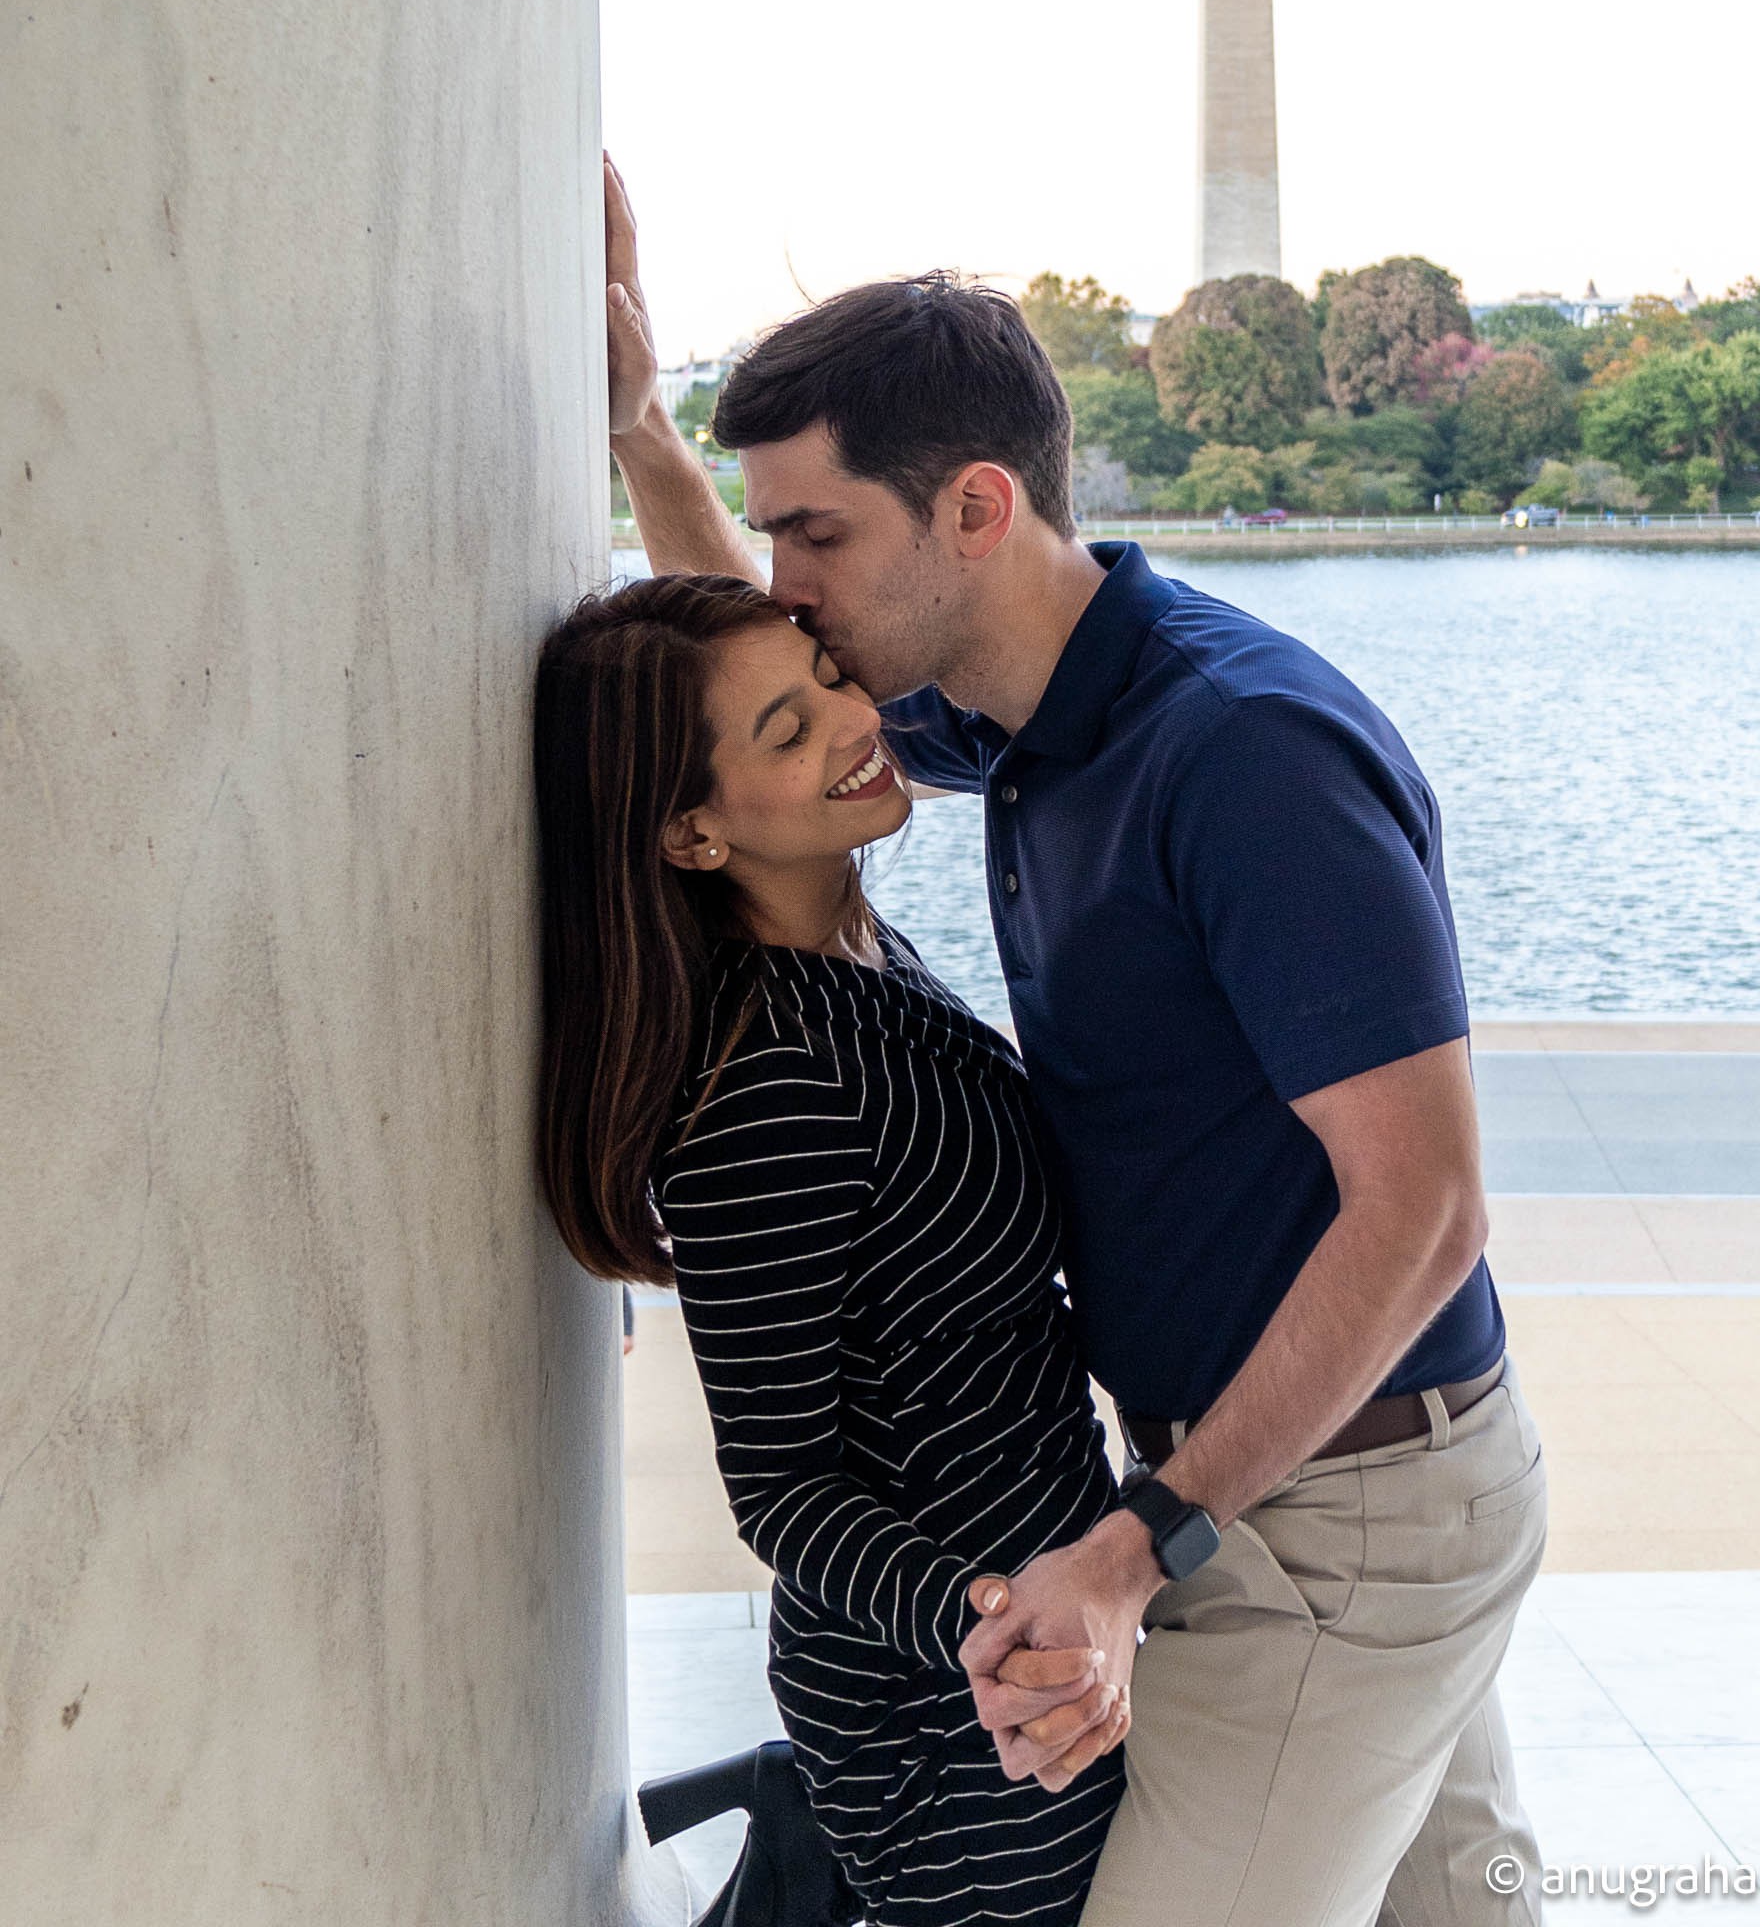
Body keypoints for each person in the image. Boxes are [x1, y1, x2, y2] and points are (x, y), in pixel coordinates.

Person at [602, 157, 1548, 1927]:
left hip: (1333, 1523)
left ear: (970, 508)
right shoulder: (1021, 713)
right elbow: (749, 732)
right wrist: (651, 443)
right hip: (1285, 1483)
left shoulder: (1241, 755)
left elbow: (1424, 1211)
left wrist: (1135, 1545)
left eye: (813, 537)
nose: (785, 587)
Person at [533, 573, 1130, 1927]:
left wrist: (647, 447)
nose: (855, 725)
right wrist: (994, 1625)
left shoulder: (844, 938)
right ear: (689, 833)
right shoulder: (768, 1089)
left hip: (1050, 1627)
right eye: (787, 736)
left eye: (831, 680)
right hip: (956, 1715)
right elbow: (782, 1488)